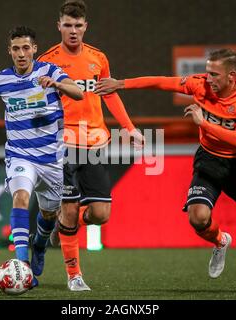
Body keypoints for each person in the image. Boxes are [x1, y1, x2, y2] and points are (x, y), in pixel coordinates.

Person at [95, 48, 236, 294]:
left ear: (232, 76)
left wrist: (203, 123)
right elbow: (161, 82)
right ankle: (221, 240)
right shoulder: (200, 85)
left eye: (214, 74)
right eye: (207, 72)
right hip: (209, 160)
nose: (208, 78)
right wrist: (121, 84)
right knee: (197, 218)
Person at [36, 0, 144, 291]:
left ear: (86, 27)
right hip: (63, 144)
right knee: (69, 209)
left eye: (78, 25)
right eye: (68, 25)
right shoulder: (46, 61)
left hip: (96, 142)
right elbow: (37, 104)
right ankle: (74, 275)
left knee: (99, 215)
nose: (73, 31)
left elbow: (110, 95)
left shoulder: (98, 58)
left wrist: (129, 129)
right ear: (59, 26)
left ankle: (65, 227)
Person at [0, 26, 83, 288]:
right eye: (16, 48)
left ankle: (39, 246)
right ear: (9, 51)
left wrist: (57, 84)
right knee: (20, 199)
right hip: (20, 155)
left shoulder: (49, 71)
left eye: (26, 48)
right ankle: (23, 267)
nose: (21, 53)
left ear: (34, 49)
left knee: (49, 215)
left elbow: (78, 93)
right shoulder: (0, 79)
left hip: (52, 159)